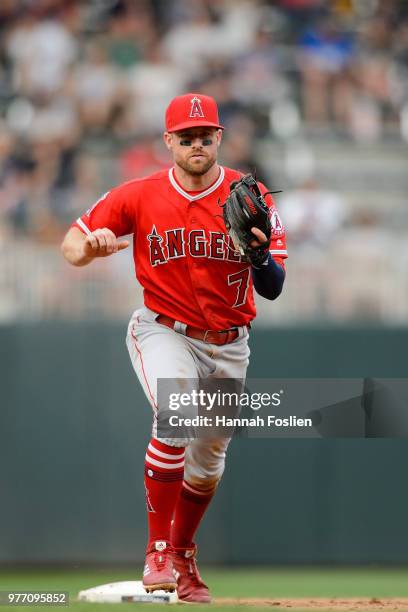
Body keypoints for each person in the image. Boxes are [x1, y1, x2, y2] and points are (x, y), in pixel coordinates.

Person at [61, 93, 287, 603]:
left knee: (207, 462)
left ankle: (183, 557)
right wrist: (88, 250)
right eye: (185, 137)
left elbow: (273, 286)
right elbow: (72, 243)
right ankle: (158, 550)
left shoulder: (251, 197)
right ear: (169, 142)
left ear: (219, 138)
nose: (196, 144)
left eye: (205, 136)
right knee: (176, 412)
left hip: (230, 343)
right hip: (164, 329)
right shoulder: (138, 194)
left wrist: (257, 256)